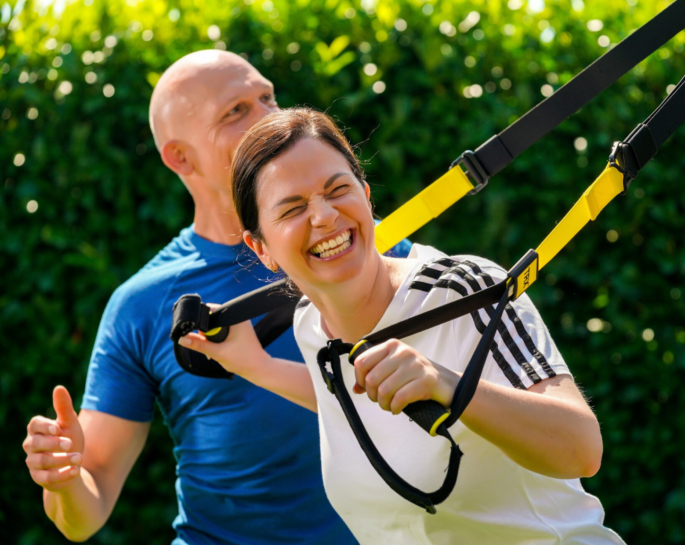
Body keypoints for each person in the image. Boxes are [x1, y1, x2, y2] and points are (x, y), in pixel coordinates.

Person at [179, 107, 626, 544]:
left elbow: (581, 448)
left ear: (366, 196)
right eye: (292, 208)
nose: (325, 216)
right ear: (263, 249)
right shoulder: (311, 326)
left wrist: (446, 385)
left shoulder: (461, 290)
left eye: (337, 190)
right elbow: (356, 401)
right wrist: (254, 365)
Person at [22, 51, 410, 544]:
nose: (270, 118)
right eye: (236, 112)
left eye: (268, 97)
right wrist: (64, 478)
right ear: (180, 158)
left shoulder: (363, 243)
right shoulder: (142, 304)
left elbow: (451, 398)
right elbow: (86, 509)